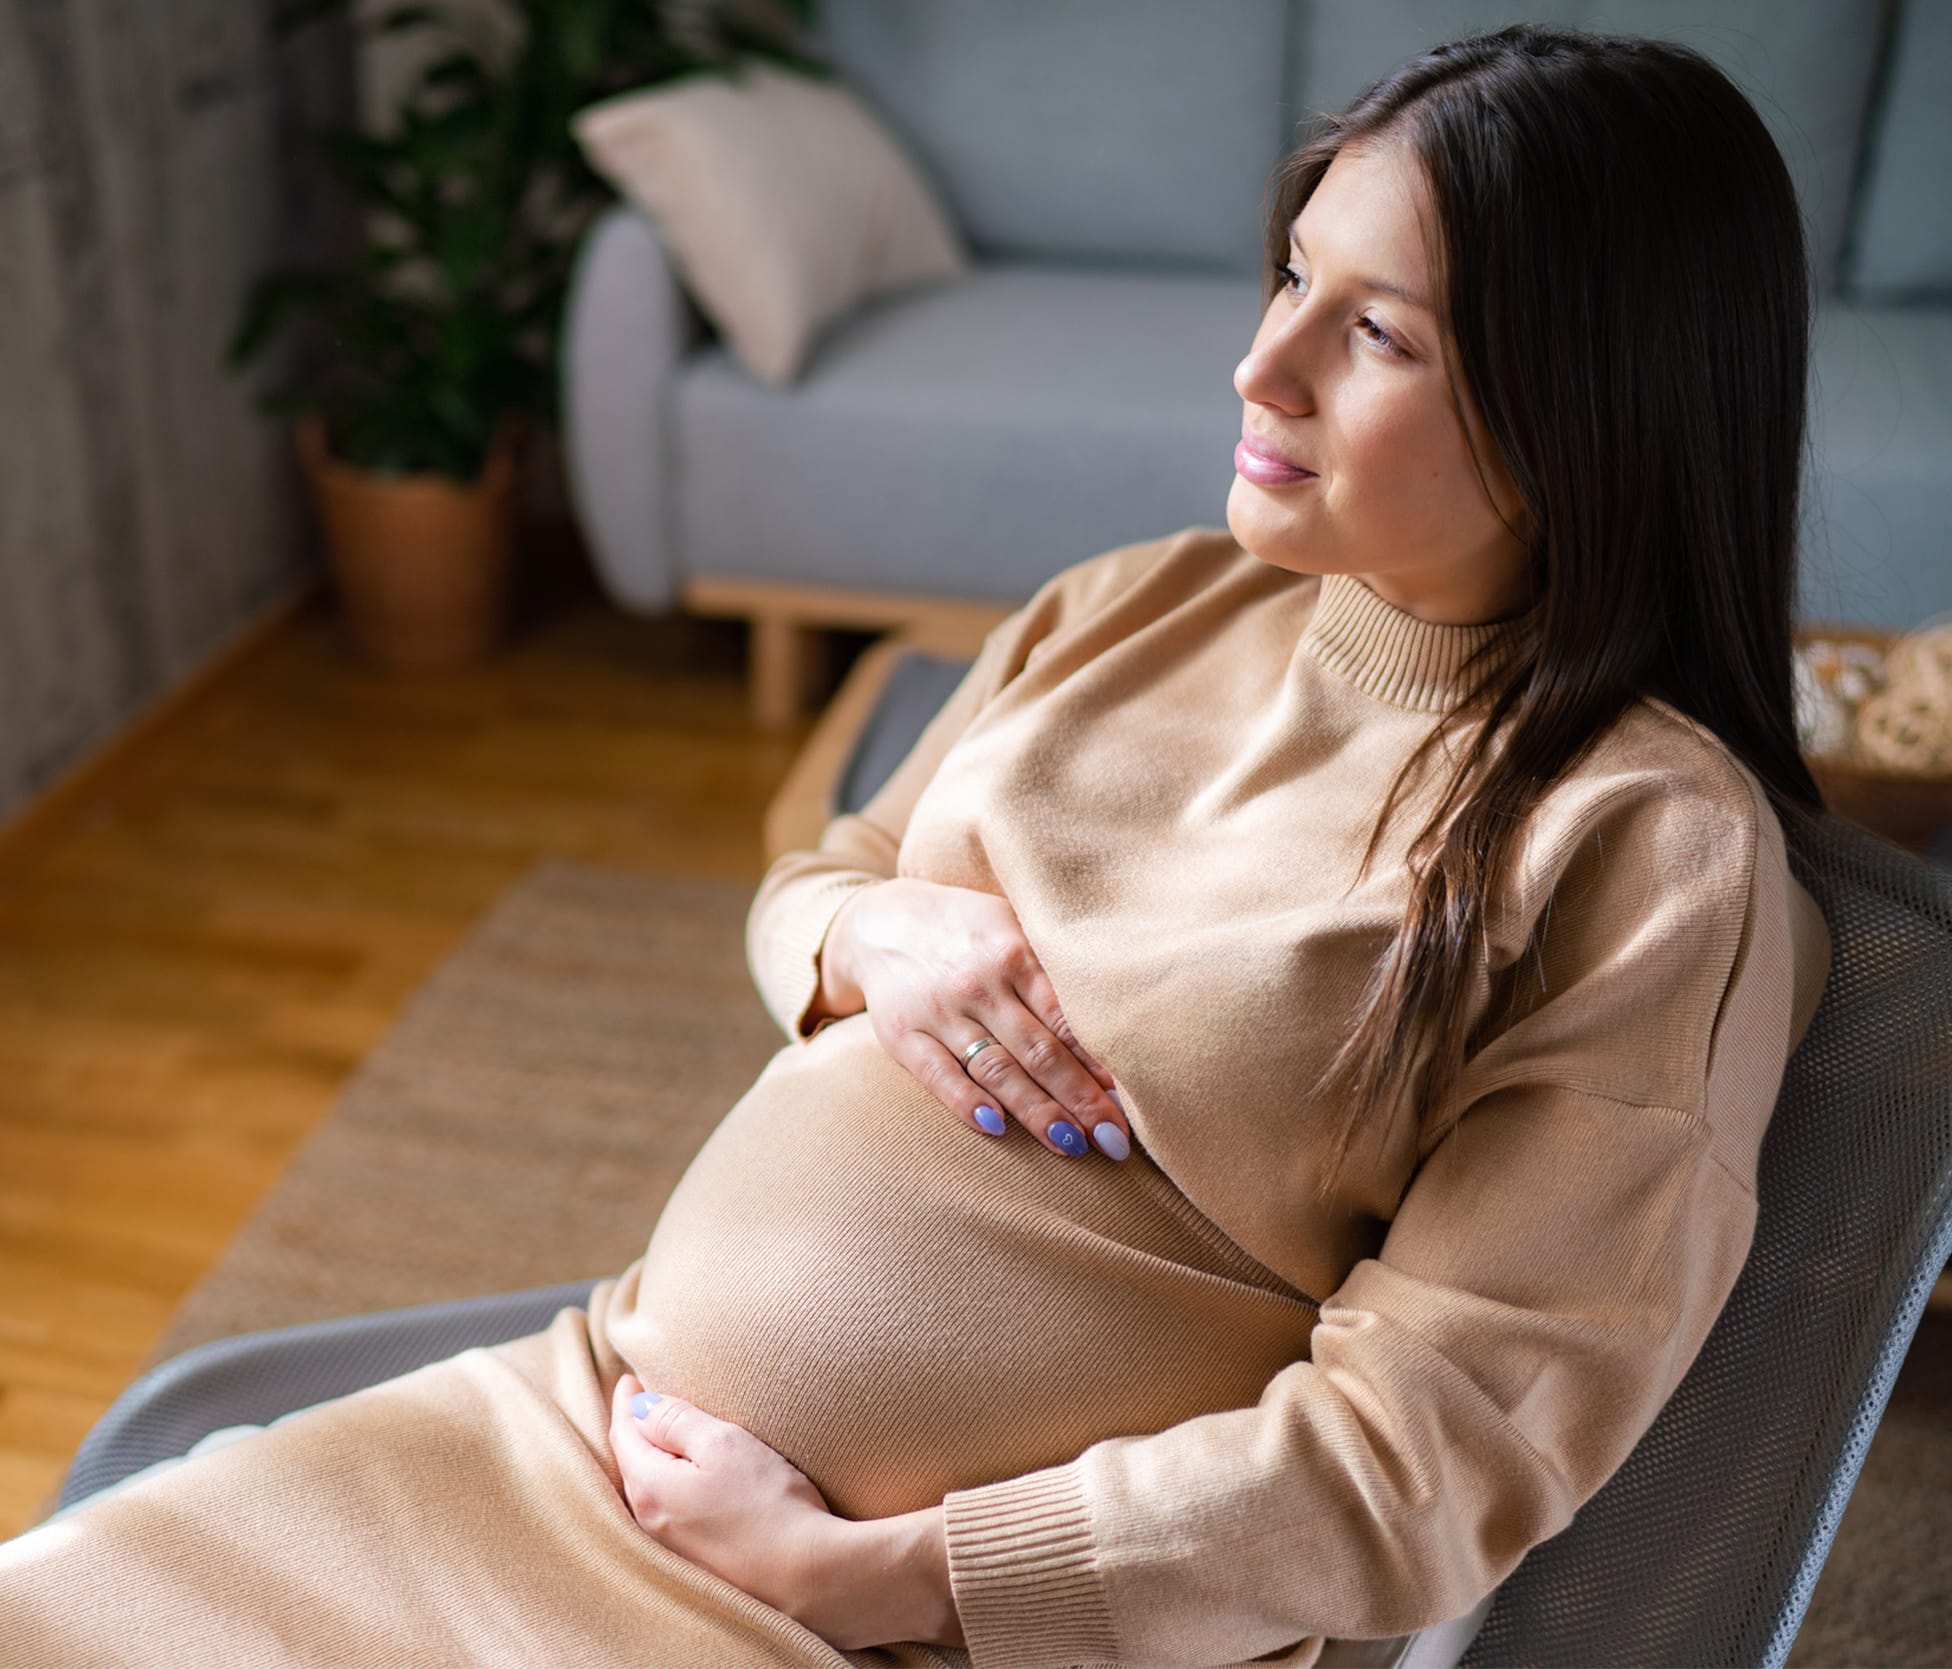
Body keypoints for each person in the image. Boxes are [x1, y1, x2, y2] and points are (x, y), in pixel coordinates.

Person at [0, 23, 1834, 1668]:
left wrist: (886, 1575)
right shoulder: (1140, 606)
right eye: (1289, 276)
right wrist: (863, 937)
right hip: (567, 1423)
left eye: (1372, 332)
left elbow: (1440, 1444)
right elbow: (832, 863)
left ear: (1594, 402)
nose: (1259, 366)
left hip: (913, 1626)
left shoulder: (1647, 851)